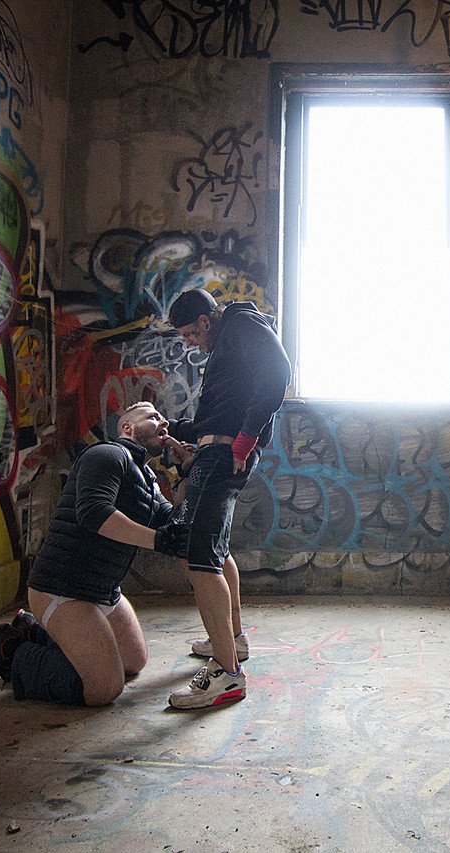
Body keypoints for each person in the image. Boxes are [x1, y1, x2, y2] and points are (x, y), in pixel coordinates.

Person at [0, 402, 189, 706]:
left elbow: (173, 523)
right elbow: (94, 513)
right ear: (127, 427)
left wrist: (185, 475)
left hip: (103, 589)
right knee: (103, 688)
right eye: (153, 417)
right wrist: (159, 541)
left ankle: (32, 633)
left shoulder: (147, 479)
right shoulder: (107, 454)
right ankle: (12, 651)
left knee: (133, 661)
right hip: (62, 587)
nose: (164, 422)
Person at [163, 287, 291, 710]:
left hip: (225, 454)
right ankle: (232, 640)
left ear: (206, 320)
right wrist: (178, 433)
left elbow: (277, 372)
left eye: (190, 333)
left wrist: (245, 439)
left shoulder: (238, 323)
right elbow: (219, 414)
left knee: (199, 556)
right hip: (215, 451)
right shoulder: (229, 343)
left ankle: (227, 674)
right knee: (214, 551)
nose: (190, 343)